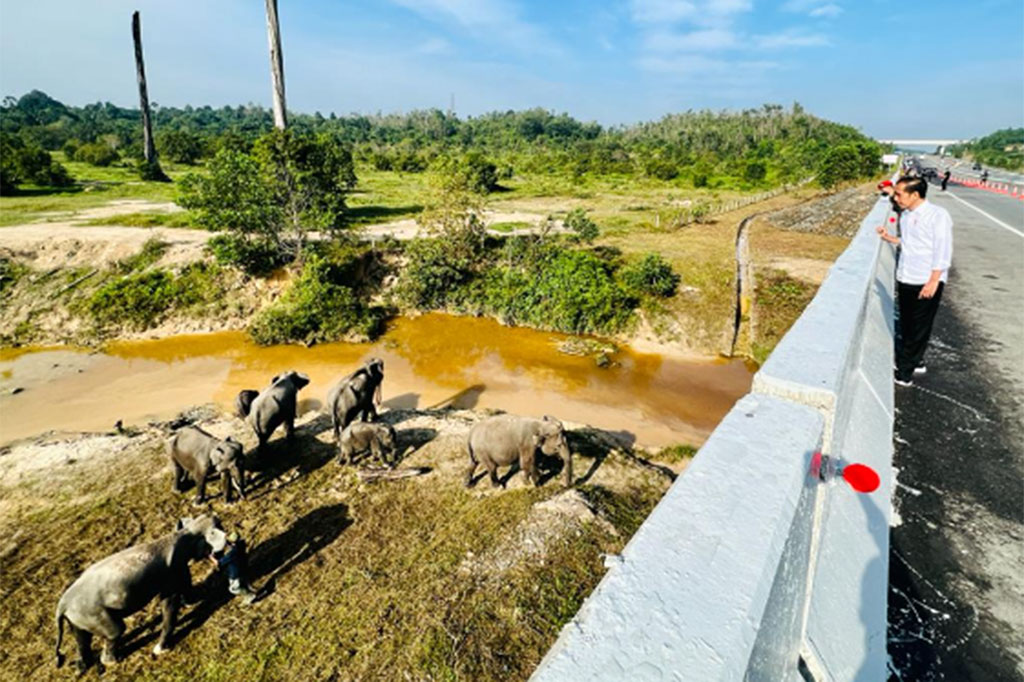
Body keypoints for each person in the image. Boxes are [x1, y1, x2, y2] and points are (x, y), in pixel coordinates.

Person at [876, 176, 953, 386]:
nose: (896, 197)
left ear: (915, 195)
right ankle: (916, 361)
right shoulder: (906, 215)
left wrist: (934, 281)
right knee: (908, 323)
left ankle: (905, 373)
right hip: (906, 276)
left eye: (900, 194)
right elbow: (911, 243)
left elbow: (943, 251)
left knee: (919, 326)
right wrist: (889, 238)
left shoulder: (937, 216)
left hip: (925, 279)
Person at [210, 531, 257, 604]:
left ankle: (249, 595)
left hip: (235, 574)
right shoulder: (241, 545)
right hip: (242, 568)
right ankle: (251, 591)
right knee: (243, 583)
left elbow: (219, 563)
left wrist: (211, 557)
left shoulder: (232, 553)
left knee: (233, 589)